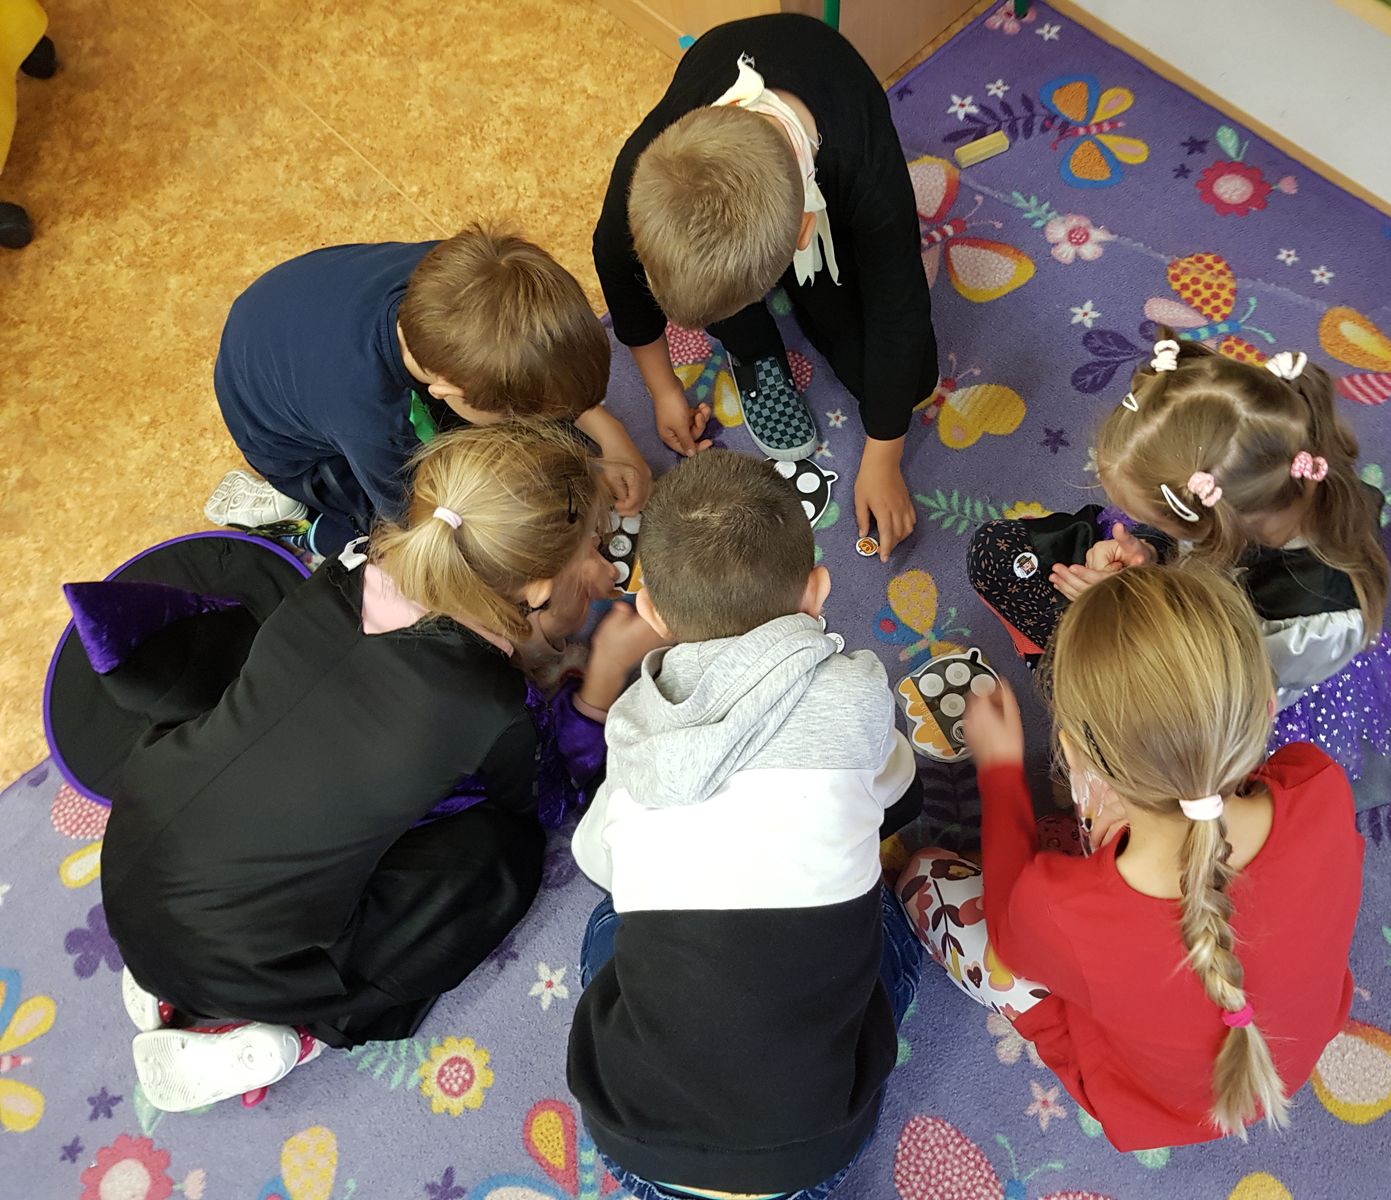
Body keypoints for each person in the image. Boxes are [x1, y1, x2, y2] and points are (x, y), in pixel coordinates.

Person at [47, 422, 657, 1112]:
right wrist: (600, 682)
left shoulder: (343, 575)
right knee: (500, 854)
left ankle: (167, 977)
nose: (606, 567)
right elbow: (550, 797)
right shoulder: (488, 704)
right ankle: (294, 1027)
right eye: (596, 551)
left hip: (135, 854)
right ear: (538, 592)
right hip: (238, 958)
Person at [899, 565, 1364, 1149]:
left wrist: (999, 769)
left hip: (1152, 1100)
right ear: (1267, 708)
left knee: (920, 876)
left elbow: (1012, 933)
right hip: (1288, 1053)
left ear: (1071, 754)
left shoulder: (1060, 910)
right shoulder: (1320, 786)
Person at [567, 449, 924, 1200]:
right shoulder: (858, 694)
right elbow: (895, 790)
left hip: (638, 1145)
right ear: (818, 590)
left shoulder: (631, 730)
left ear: (652, 613)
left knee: (610, 921)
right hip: (815, 1149)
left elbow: (595, 860)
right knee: (887, 913)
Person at [966, 335, 1391, 775]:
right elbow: (1193, 555)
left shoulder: (1319, 624)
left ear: (1212, 524)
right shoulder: (1253, 476)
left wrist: (1131, 609)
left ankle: (1064, 669)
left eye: (1154, 520)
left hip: (1220, 678)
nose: (1138, 522)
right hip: (1197, 607)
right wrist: (1150, 553)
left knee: (1116, 732)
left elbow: (1211, 685)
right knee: (996, 551)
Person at [593, 14, 937, 561]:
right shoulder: (644, 176)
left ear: (803, 234)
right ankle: (752, 348)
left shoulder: (864, 172)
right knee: (723, 291)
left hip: (828, 95)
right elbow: (615, 264)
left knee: (909, 379)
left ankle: (774, 293)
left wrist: (883, 456)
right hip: (737, 109)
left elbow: (900, 310)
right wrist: (663, 390)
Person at [206, 224, 651, 560]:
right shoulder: (373, 423)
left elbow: (541, 367)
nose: (535, 423)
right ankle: (304, 524)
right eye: (519, 415)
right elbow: (419, 525)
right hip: (291, 444)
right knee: (414, 530)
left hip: (291, 320)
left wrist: (608, 431)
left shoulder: (465, 276)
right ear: (445, 389)